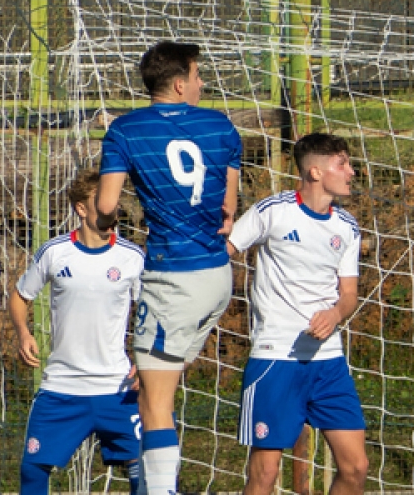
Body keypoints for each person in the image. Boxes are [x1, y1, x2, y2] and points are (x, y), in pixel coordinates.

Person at [96, 40, 242, 495]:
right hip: (218, 276)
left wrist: (109, 219)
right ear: (180, 84)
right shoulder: (221, 125)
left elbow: (105, 205)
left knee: (154, 401)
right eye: (199, 77)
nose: (202, 84)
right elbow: (227, 208)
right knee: (163, 377)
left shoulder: (125, 130)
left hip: (172, 277)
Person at [227, 133, 368, 495]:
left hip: (329, 363)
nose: (352, 171)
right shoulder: (272, 211)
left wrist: (336, 313)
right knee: (265, 474)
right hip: (277, 359)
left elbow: (349, 295)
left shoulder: (347, 227)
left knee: (355, 468)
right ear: (316, 172)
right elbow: (223, 252)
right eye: (343, 163)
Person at [10, 169, 146, 495]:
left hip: (118, 386)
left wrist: (145, 358)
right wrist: (23, 333)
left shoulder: (132, 257)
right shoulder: (54, 252)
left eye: (114, 201)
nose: (111, 208)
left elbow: (152, 314)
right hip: (62, 386)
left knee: (148, 467)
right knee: (32, 469)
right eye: (101, 202)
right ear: (82, 209)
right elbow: (19, 296)